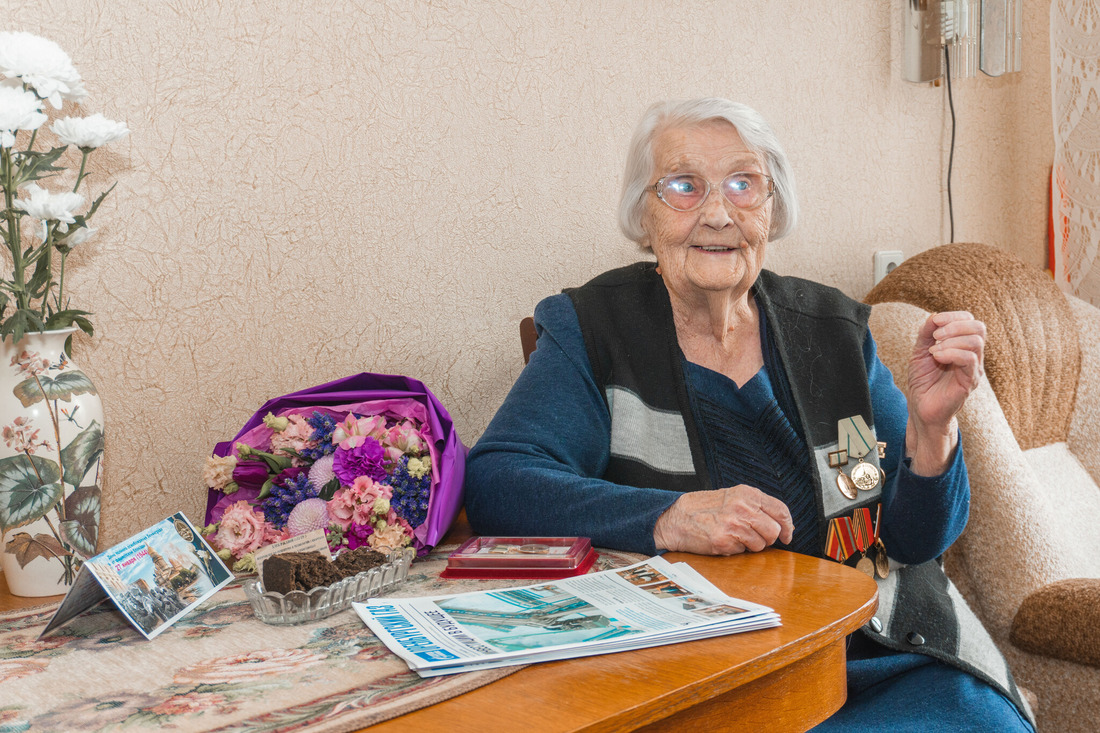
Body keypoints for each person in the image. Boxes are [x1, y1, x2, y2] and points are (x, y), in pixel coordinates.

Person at [464, 97, 1034, 731]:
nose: (716, 212)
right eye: (683, 186)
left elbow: (913, 541)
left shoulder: (835, 334)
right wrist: (668, 518)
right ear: (643, 216)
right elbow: (499, 483)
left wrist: (932, 431)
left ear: (772, 209)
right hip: (699, 676)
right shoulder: (596, 331)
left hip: (877, 651)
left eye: (743, 185)